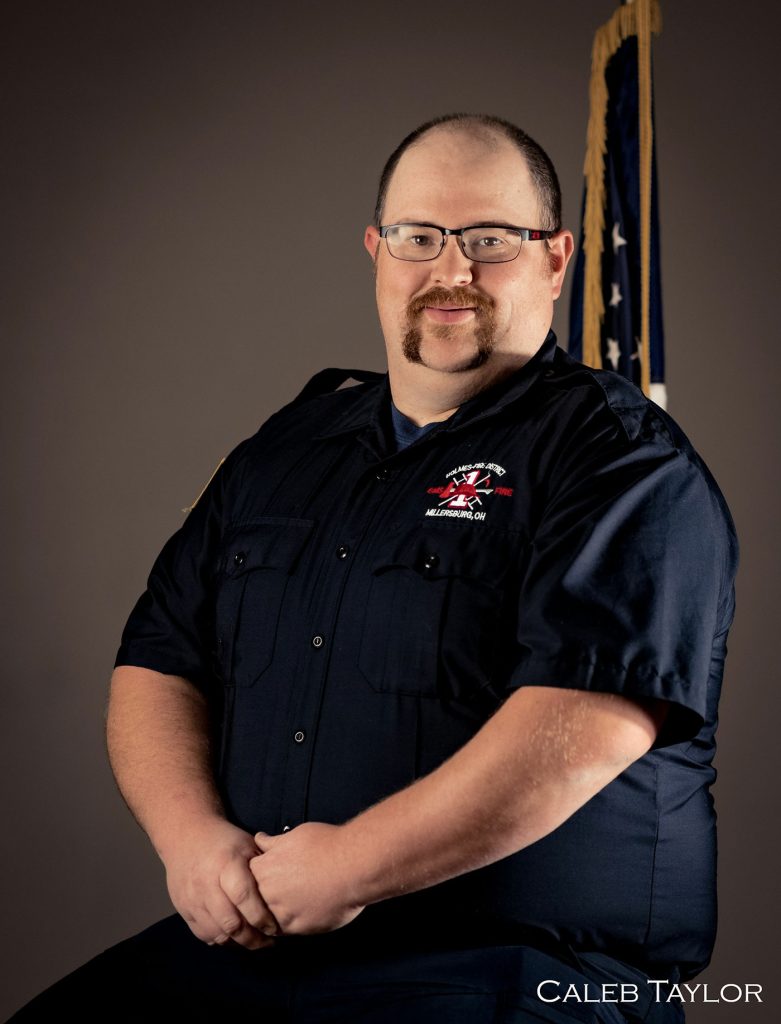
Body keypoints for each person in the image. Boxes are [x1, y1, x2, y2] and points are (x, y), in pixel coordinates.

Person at [8, 113, 737, 1023]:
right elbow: (161, 658)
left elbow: (585, 726)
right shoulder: (283, 449)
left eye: (489, 241)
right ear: (376, 250)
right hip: (262, 948)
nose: (451, 271)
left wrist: (351, 867)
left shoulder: (621, 463)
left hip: (517, 971)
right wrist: (191, 843)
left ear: (556, 260)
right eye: (419, 237)